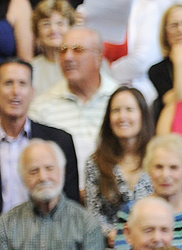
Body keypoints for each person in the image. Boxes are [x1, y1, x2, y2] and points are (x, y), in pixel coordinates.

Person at [29, 25, 117, 187]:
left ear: (99, 57)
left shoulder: (120, 101)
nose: (67, 57)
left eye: (78, 50)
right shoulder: (41, 107)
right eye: (62, 51)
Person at [0, 58, 81, 216]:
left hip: (47, 236)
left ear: (32, 93)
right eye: (8, 83)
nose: (15, 91)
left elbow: (71, 205)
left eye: (22, 84)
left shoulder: (59, 141)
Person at [83, 85, 154, 240]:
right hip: (111, 249)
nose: (122, 117)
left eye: (129, 109)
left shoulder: (158, 158)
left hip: (155, 242)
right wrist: (112, 234)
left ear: (142, 115)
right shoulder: (95, 162)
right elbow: (93, 214)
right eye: (116, 111)